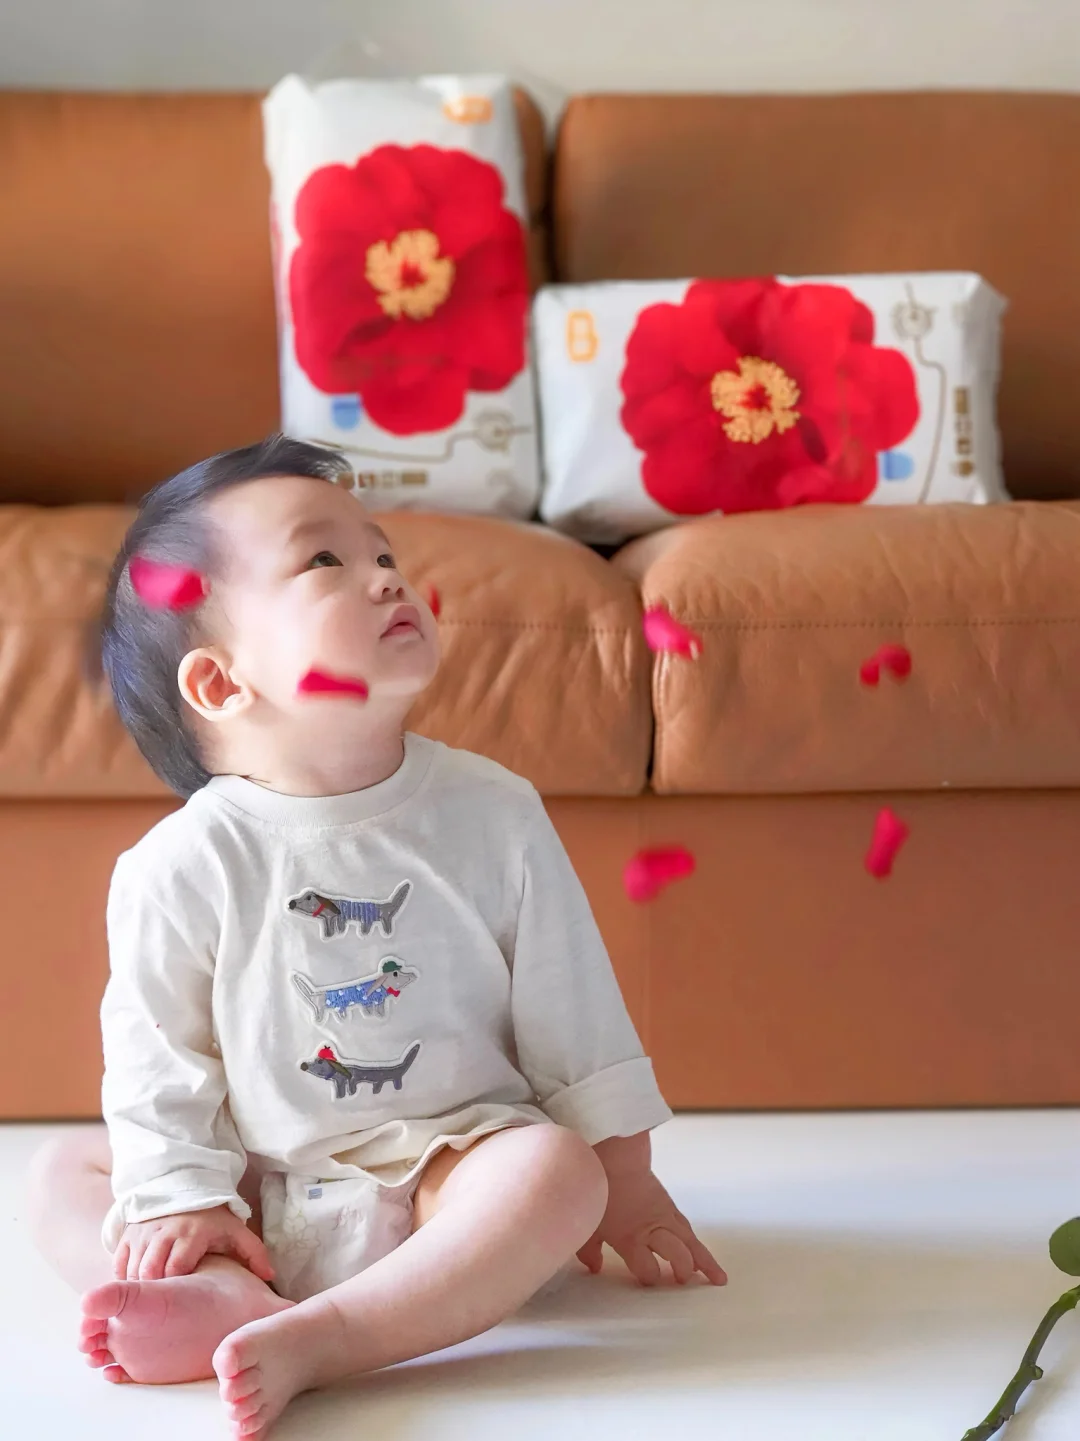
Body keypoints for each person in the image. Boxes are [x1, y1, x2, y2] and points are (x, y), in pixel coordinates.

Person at [25, 434, 725, 1440]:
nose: (386, 575)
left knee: (553, 1170)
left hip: (442, 1179)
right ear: (222, 686)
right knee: (66, 1171)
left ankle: (333, 1334)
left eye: (382, 552)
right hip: (255, 1193)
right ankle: (218, 1293)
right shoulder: (180, 863)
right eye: (325, 561)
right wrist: (182, 1201)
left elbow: (571, 1001)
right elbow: (155, 1053)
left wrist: (625, 1176)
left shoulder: (493, 810)